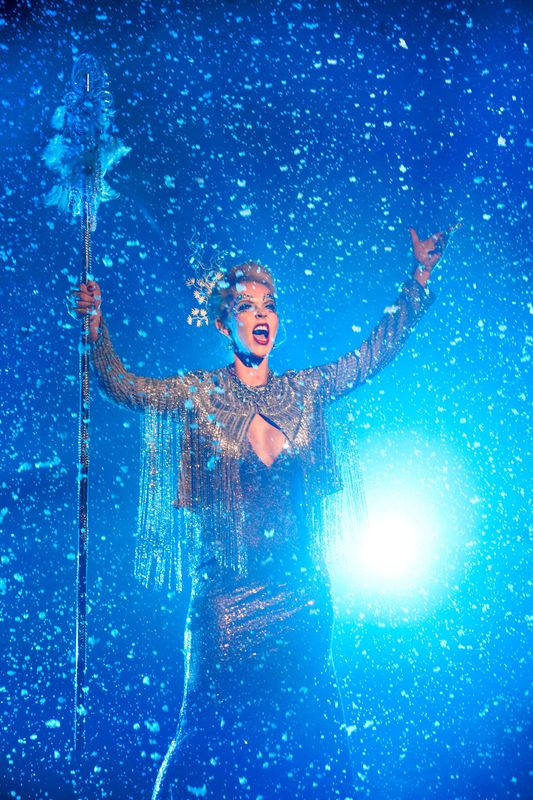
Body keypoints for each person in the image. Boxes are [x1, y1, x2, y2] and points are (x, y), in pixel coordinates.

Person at [71, 227, 447, 799]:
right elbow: (124, 388)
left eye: (268, 305)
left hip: (303, 599)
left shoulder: (305, 389)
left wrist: (418, 278)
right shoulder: (200, 393)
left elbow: (372, 354)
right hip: (228, 604)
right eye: (245, 306)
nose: (260, 315)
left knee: (317, 746)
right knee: (200, 744)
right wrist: (96, 330)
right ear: (224, 325)